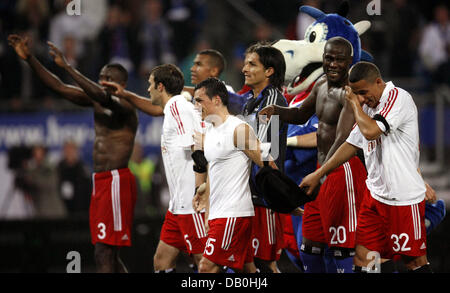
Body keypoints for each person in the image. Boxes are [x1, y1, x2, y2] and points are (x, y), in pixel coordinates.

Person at [7, 34, 154, 273]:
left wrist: (69, 67)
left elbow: (101, 95)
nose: (102, 82)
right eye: (101, 77)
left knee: (104, 252)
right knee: (108, 252)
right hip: (101, 182)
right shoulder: (98, 101)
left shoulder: (126, 106)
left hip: (116, 180)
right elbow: (59, 87)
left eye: (108, 79)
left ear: (121, 84)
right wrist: (31, 59)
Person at [300, 61, 434, 273]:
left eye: (363, 92)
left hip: (402, 199)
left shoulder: (398, 98)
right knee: (364, 259)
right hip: (374, 197)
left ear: (379, 82)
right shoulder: (370, 107)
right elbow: (352, 144)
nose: (362, 98)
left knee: (414, 263)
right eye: (355, 93)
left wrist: (353, 103)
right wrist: (319, 174)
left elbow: (371, 132)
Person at [259, 37, 367, 273]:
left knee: (341, 247)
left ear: (350, 61)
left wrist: (319, 175)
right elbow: (300, 114)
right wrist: (277, 111)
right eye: (329, 58)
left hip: (343, 172)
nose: (333, 64)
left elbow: (342, 139)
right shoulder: (320, 85)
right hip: (322, 169)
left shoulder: (350, 94)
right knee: (310, 247)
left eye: (340, 59)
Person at [101, 64, 207, 273]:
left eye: (150, 84)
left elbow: (198, 146)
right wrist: (125, 95)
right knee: (161, 261)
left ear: (160, 86)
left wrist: (200, 191)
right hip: (177, 206)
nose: (147, 89)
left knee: (205, 263)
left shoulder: (177, 107)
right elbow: (155, 109)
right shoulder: (174, 107)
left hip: (191, 203)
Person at [191, 77, 277, 273]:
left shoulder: (238, 128)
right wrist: (208, 214)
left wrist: (287, 199)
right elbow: (213, 172)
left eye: (199, 101)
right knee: (247, 270)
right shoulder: (211, 131)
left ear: (217, 100)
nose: (196, 106)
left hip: (233, 213)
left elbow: (268, 164)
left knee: (206, 267)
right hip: (219, 214)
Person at [240, 42, 289, 273]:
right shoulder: (251, 101)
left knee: (266, 263)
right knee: (249, 261)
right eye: (245, 63)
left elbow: (260, 148)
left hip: (265, 192)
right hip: (250, 191)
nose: (245, 69)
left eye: (252, 64)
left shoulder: (273, 100)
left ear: (269, 71)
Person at [57, 140, 91, 217]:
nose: (69, 152)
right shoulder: (59, 168)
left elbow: (88, 190)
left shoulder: (83, 168)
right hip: (63, 210)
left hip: (81, 210)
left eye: (72, 149)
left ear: (76, 151)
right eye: (67, 150)